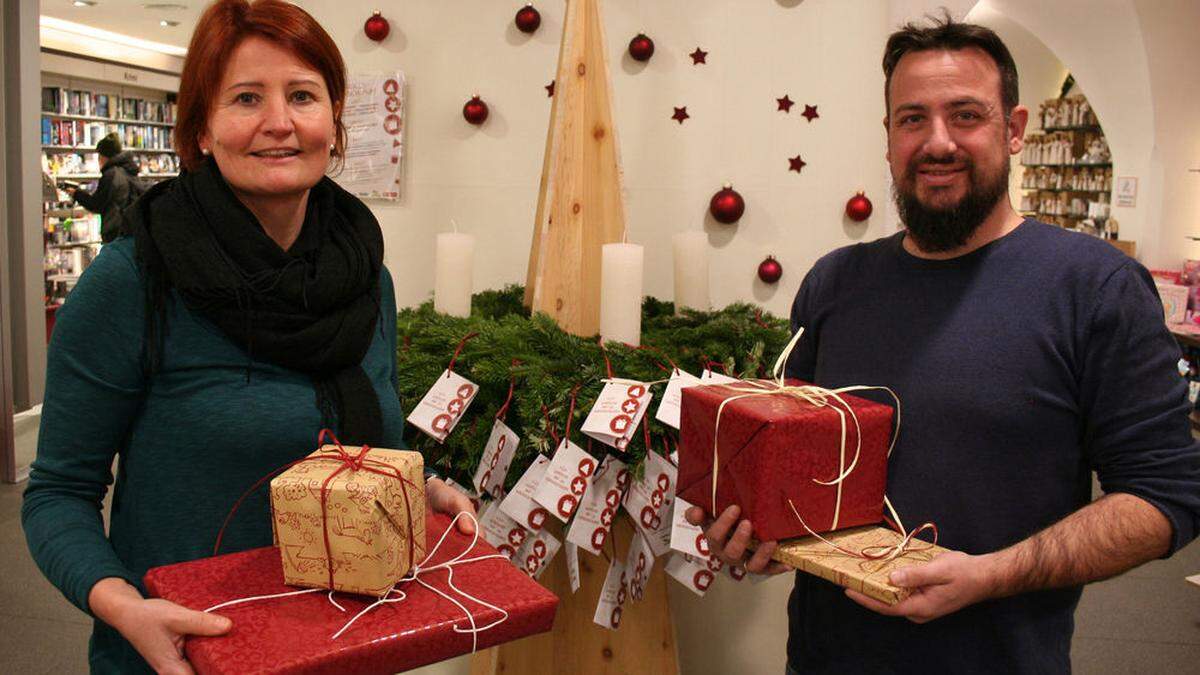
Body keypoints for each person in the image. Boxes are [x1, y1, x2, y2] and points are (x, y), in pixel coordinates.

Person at [688, 14, 1200, 674]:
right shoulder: (835, 283)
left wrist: (993, 573)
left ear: (1014, 130)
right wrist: (755, 538)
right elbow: (801, 481)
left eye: (965, 116)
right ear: (889, 137)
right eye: (912, 119)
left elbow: (1168, 498)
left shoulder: (1094, 288)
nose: (937, 142)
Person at [22, 2, 475, 673]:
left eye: (301, 95)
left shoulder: (365, 279)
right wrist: (122, 604)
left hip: (346, 644)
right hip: (187, 653)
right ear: (202, 128)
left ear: (334, 120)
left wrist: (421, 485)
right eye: (245, 98)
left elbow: (370, 449)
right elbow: (57, 492)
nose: (279, 123)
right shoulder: (134, 282)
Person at [67, 133, 143, 243]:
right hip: (131, 230)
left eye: (99, 156)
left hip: (115, 232)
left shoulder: (111, 174)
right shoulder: (128, 170)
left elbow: (96, 204)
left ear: (104, 156)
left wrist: (76, 194)